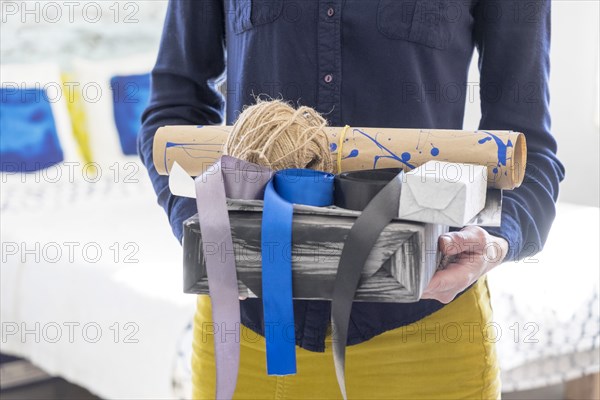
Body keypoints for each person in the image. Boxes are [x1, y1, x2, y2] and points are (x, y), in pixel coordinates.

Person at [139, 1, 565, 398]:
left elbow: (528, 147)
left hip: (425, 337)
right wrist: (203, 228)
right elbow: (174, 108)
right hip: (248, 339)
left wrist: (495, 241)